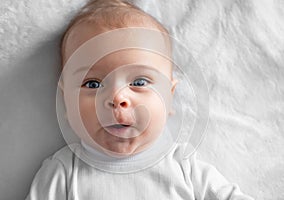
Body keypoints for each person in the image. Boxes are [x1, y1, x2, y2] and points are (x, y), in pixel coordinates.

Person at [26, 0, 254, 199]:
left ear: (170, 96)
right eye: (93, 84)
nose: (117, 98)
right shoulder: (64, 172)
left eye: (140, 82)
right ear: (66, 101)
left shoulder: (184, 166)